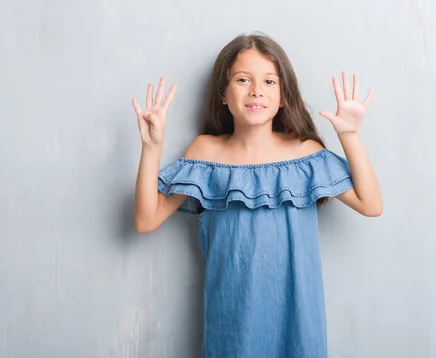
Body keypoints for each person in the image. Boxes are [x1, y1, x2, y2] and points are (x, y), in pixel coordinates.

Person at [131, 32, 382, 358]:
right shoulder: (205, 153)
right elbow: (146, 219)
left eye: (269, 82)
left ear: (283, 97)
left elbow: (371, 204)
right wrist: (151, 147)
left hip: (298, 320)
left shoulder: (306, 154)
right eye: (243, 79)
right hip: (232, 322)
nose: (256, 91)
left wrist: (349, 135)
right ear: (223, 93)